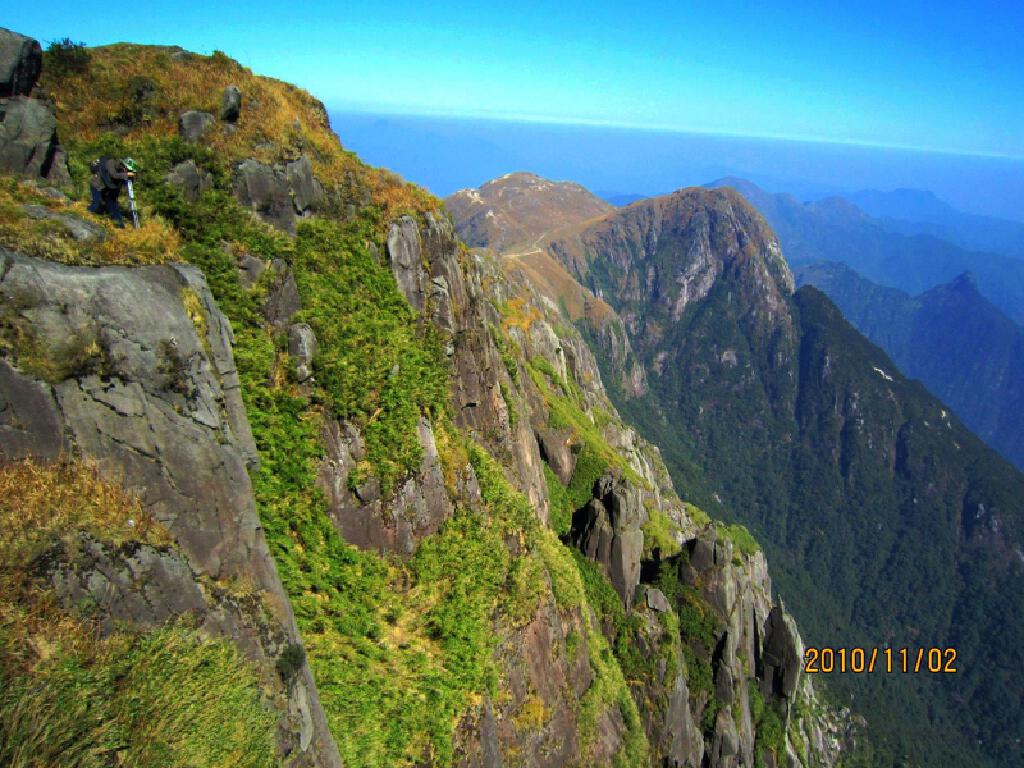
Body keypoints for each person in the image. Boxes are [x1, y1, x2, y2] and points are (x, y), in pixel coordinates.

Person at [88, 157, 137, 228]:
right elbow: (113, 174)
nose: (128, 171)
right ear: (123, 165)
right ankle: (85, 216)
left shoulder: (121, 172)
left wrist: (132, 177)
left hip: (108, 188)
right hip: (97, 185)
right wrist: (127, 175)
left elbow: (120, 181)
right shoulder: (111, 162)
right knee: (96, 203)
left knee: (114, 207)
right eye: (128, 169)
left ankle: (120, 227)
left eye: (130, 170)